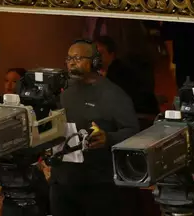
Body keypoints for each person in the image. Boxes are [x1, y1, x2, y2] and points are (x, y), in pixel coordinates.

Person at [49, 40, 140, 216]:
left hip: (98, 186)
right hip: (62, 184)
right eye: (69, 58)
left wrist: (109, 138)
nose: (71, 62)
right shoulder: (62, 91)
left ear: (94, 62)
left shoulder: (113, 94)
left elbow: (133, 132)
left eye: (77, 58)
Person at [94, 36, 159, 114]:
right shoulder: (101, 73)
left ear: (112, 54)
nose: (96, 58)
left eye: (100, 54)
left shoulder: (120, 72)